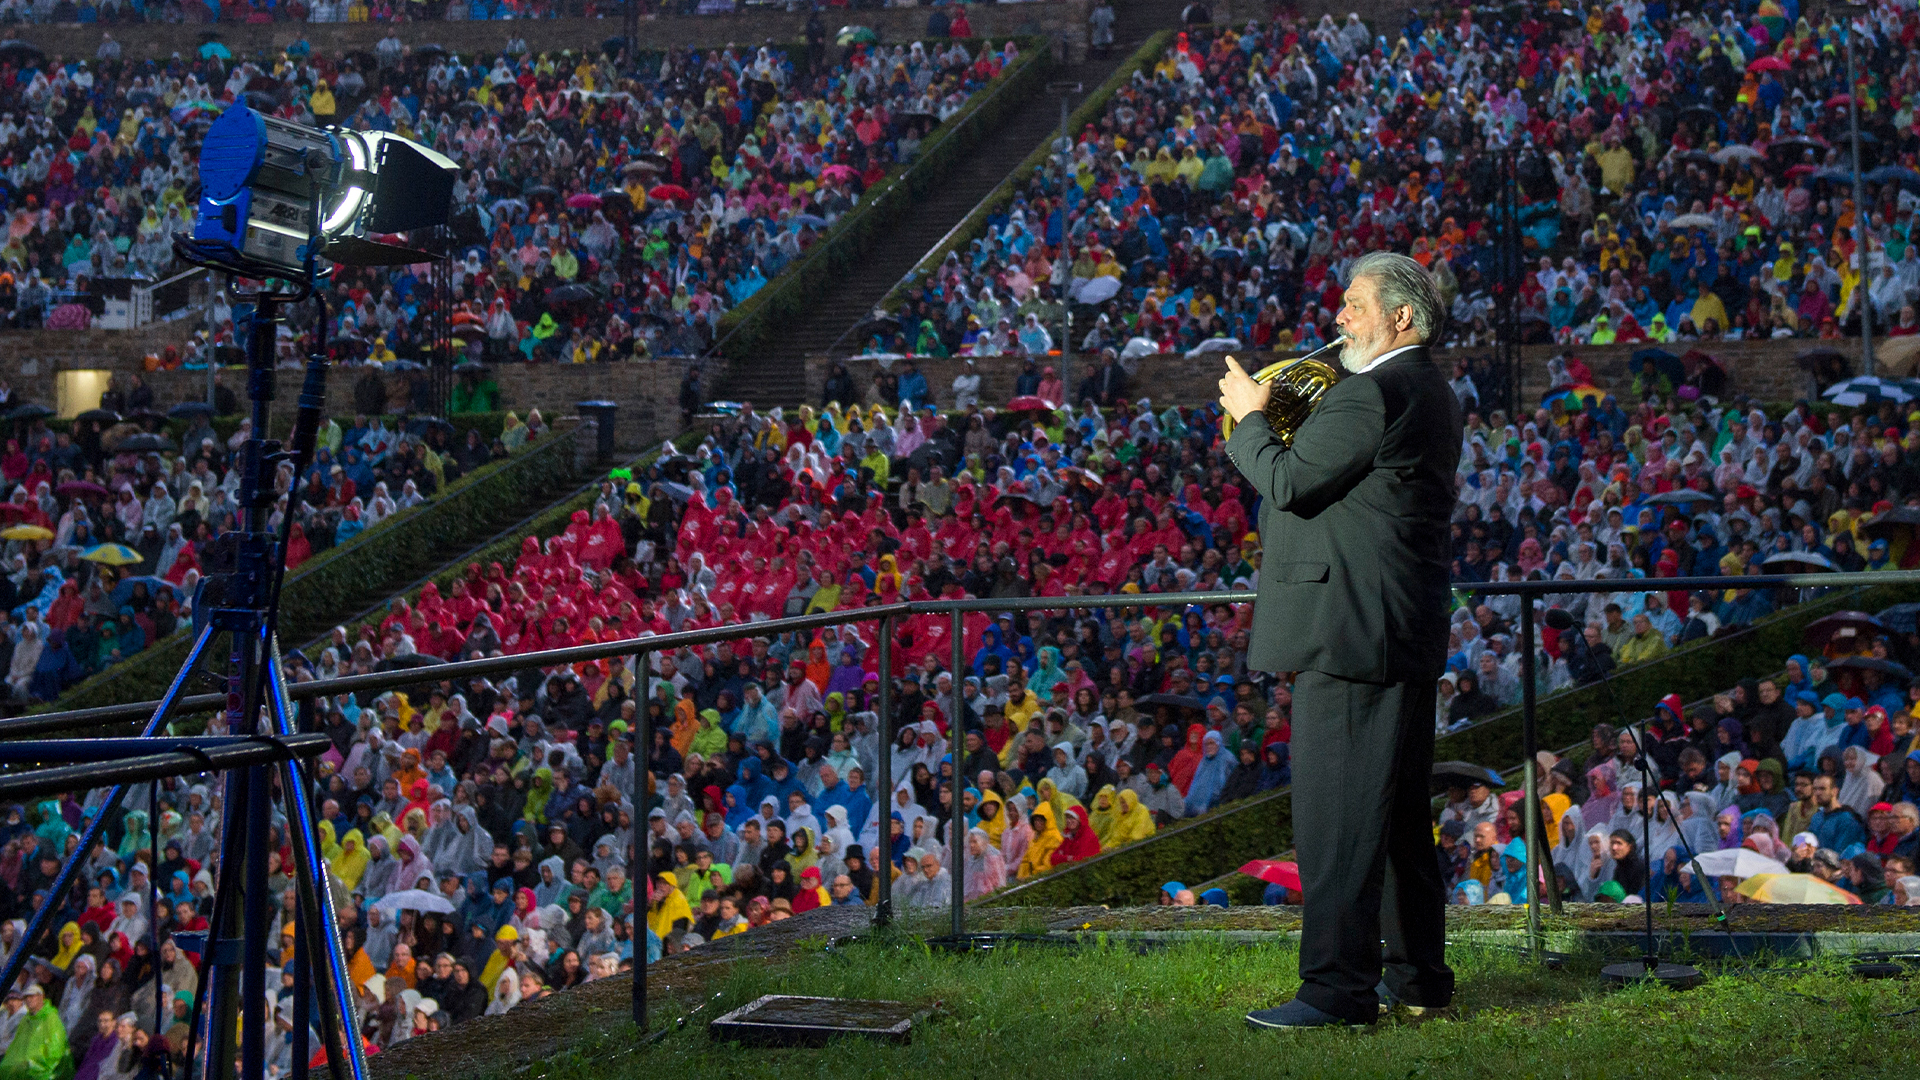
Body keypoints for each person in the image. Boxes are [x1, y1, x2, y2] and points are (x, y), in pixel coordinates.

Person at [1221, 253, 1460, 1029]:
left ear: (1400, 318)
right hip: (1392, 626)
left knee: (1334, 826)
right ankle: (1418, 976)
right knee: (1393, 822)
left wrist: (1251, 416)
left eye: (1354, 305)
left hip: (1353, 631)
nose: (1338, 318)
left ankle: (1336, 991)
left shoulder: (1372, 390)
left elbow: (1290, 483)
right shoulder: (1427, 387)